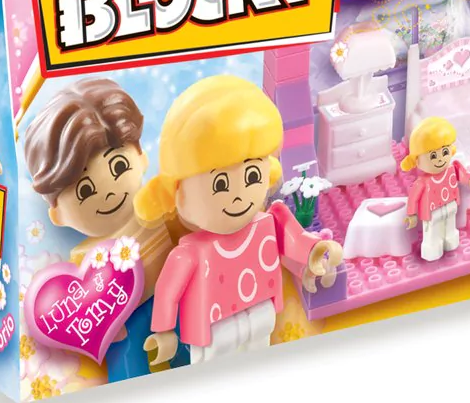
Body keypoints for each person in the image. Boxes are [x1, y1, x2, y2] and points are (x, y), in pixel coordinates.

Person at [135, 75, 342, 367]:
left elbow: (295, 241)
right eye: (220, 183)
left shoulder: (270, 222)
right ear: (176, 193)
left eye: (252, 175)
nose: (238, 194)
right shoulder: (190, 253)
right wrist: (164, 331)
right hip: (214, 331)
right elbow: (169, 291)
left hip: (261, 315)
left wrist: (316, 251)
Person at [23, 78, 180, 380]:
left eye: (118, 165)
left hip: (180, 303)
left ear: (141, 157)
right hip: (130, 329)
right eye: (84, 190)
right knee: (129, 369)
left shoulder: (159, 209)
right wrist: (105, 326)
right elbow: (85, 314)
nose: (107, 192)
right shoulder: (85, 262)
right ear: (57, 214)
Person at [402, 116, 470, 261]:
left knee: (450, 226)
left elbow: (463, 175)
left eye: (444, 152)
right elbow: (413, 199)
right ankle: (432, 248)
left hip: (450, 204)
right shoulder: (422, 182)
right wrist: (412, 215)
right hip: (432, 211)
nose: (440, 159)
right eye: (433, 155)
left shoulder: (452, 169)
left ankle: (450, 239)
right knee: (433, 231)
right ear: (417, 160)